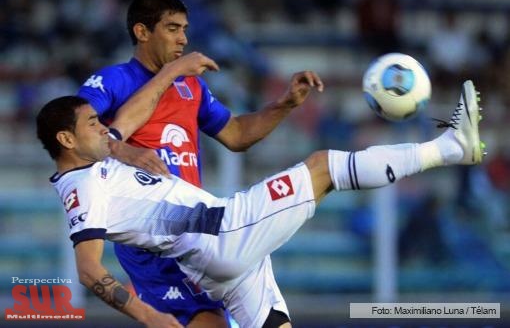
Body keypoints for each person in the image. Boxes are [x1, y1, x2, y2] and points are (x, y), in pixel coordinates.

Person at [37, 79, 484, 327]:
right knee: (323, 167)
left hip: (219, 264)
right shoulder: (83, 188)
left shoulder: (97, 156)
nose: (105, 128)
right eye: (94, 123)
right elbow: (88, 268)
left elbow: (129, 117)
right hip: (222, 233)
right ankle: (451, 149)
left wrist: (176, 70)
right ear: (66, 139)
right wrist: (149, 316)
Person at [76, 0, 323, 326]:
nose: (184, 39)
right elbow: (77, 133)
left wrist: (285, 104)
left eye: (185, 29)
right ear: (142, 32)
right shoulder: (112, 81)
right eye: (173, 28)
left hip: (201, 232)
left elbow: (235, 134)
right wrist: (126, 150)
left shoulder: (190, 86)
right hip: (152, 240)